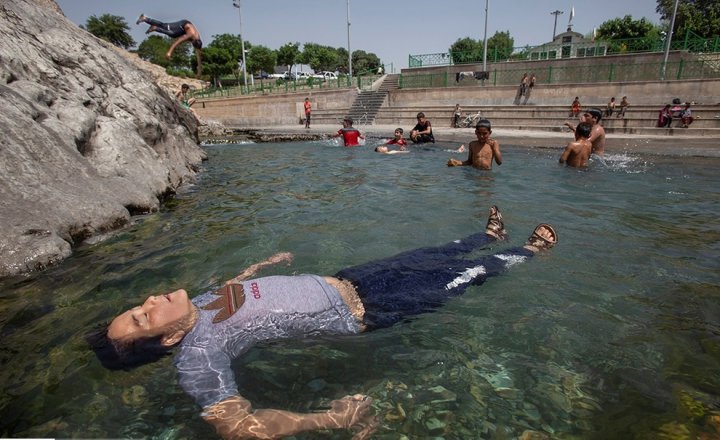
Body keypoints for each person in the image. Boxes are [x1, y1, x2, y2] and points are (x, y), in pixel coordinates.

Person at [89, 207, 557, 440]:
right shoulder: (197, 356)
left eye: (138, 305)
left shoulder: (195, 305)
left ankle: (488, 235)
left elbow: (229, 290)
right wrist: (329, 418)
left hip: (350, 279)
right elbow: (236, 427)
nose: (149, 300)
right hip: (367, 311)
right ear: (168, 337)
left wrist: (259, 267)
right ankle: (529, 253)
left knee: (432, 254)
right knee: (464, 276)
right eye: (143, 316)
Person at [137, 14, 203, 76]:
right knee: (165, 26)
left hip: (184, 30)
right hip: (183, 24)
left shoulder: (198, 42)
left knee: (173, 35)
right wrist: (169, 52)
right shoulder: (190, 35)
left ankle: (155, 28)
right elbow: (177, 42)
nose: (190, 44)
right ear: (193, 41)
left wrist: (199, 68)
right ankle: (145, 18)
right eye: (191, 43)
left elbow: (198, 54)